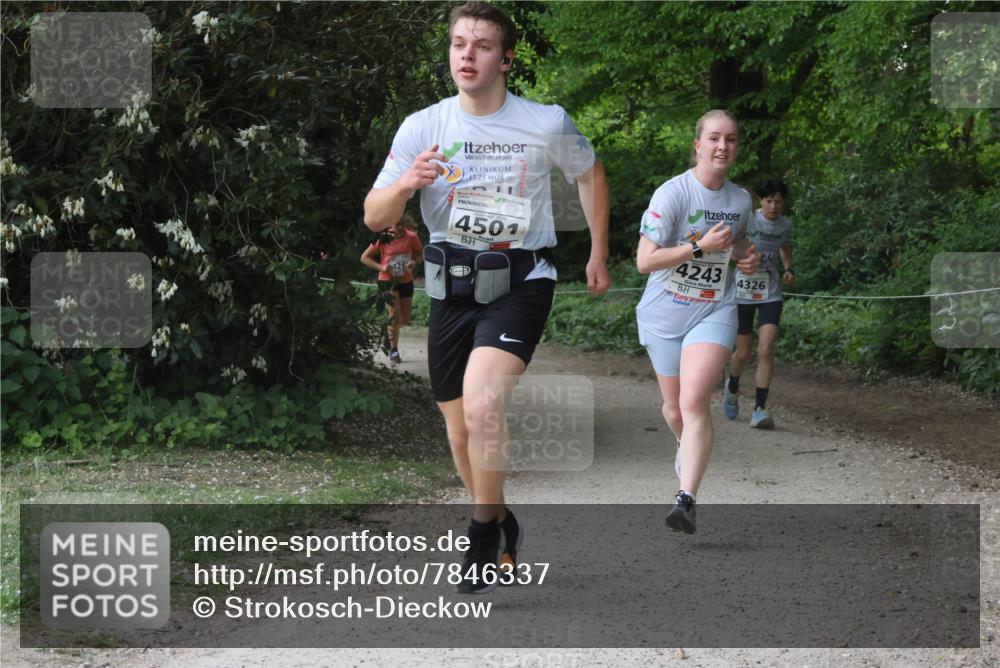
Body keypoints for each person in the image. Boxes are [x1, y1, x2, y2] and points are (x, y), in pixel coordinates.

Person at [363, 1, 610, 593]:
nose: (466, 55)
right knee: (458, 433)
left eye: (481, 45)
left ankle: (478, 542)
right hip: (452, 285)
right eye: (457, 43)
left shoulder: (545, 122)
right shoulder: (424, 126)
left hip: (521, 279)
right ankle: (501, 519)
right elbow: (375, 215)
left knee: (481, 405)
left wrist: (598, 251)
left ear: (506, 59)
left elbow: (590, 175)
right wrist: (405, 184)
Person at [635, 109, 760, 534]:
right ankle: (684, 445)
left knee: (693, 402)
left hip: (714, 308)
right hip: (664, 312)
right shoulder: (672, 194)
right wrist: (699, 247)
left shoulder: (741, 200)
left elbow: (738, 243)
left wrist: (747, 256)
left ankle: (685, 499)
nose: (722, 146)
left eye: (730, 139)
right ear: (698, 145)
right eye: (713, 138)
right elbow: (644, 261)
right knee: (674, 409)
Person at [724, 179, 794, 428]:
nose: (773, 206)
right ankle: (732, 386)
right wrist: (742, 259)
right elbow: (731, 247)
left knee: (766, 349)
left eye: (777, 201)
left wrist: (788, 268)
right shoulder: (749, 219)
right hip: (743, 291)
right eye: (768, 201)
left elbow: (785, 247)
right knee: (742, 353)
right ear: (760, 201)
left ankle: (760, 409)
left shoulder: (785, 224)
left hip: (770, 292)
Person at [359, 214, 423, 363]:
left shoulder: (411, 237)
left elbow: (419, 254)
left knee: (405, 318)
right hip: (387, 281)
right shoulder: (383, 238)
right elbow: (364, 258)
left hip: (405, 280)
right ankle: (394, 350)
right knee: (394, 317)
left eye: (401, 225)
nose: (399, 229)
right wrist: (382, 267)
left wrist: (413, 262)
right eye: (395, 226)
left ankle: (388, 333)